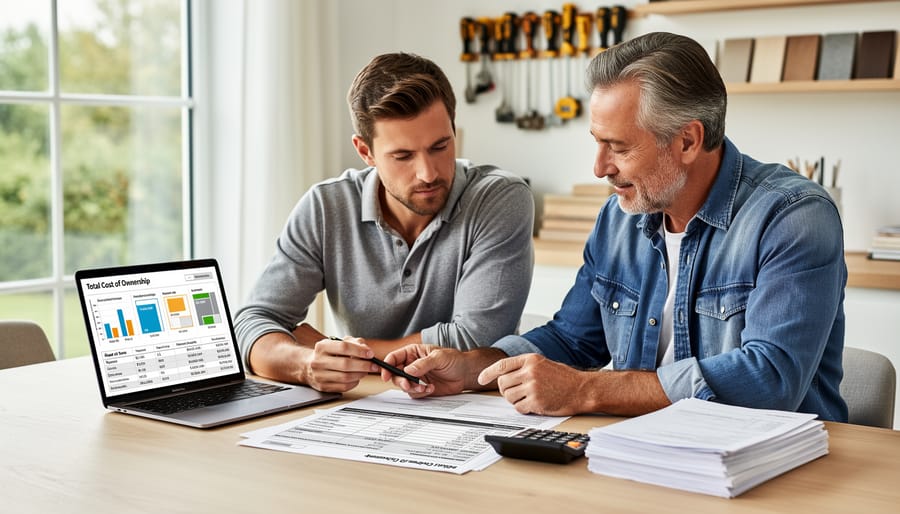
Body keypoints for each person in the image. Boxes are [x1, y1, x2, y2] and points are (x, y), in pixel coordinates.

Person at [383, 32, 848, 422]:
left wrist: (587, 390)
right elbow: (572, 339)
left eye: (618, 147)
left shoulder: (792, 216)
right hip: (644, 453)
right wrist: (473, 367)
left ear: (687, 140)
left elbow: (769, 381)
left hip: (777, 468)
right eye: (597, 143)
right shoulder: (619, 216)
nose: (599, 167)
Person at [234, 53, 535, 393]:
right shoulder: (326, 207)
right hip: (359, 407)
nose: (428, 173)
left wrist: (340, 347)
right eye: (403, 156)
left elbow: (477, 341)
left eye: (440, 146)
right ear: (365, 151)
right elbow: (252, 324)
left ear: (454, 129)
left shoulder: (499, 199)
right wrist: (307, 365)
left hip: (471, 408)